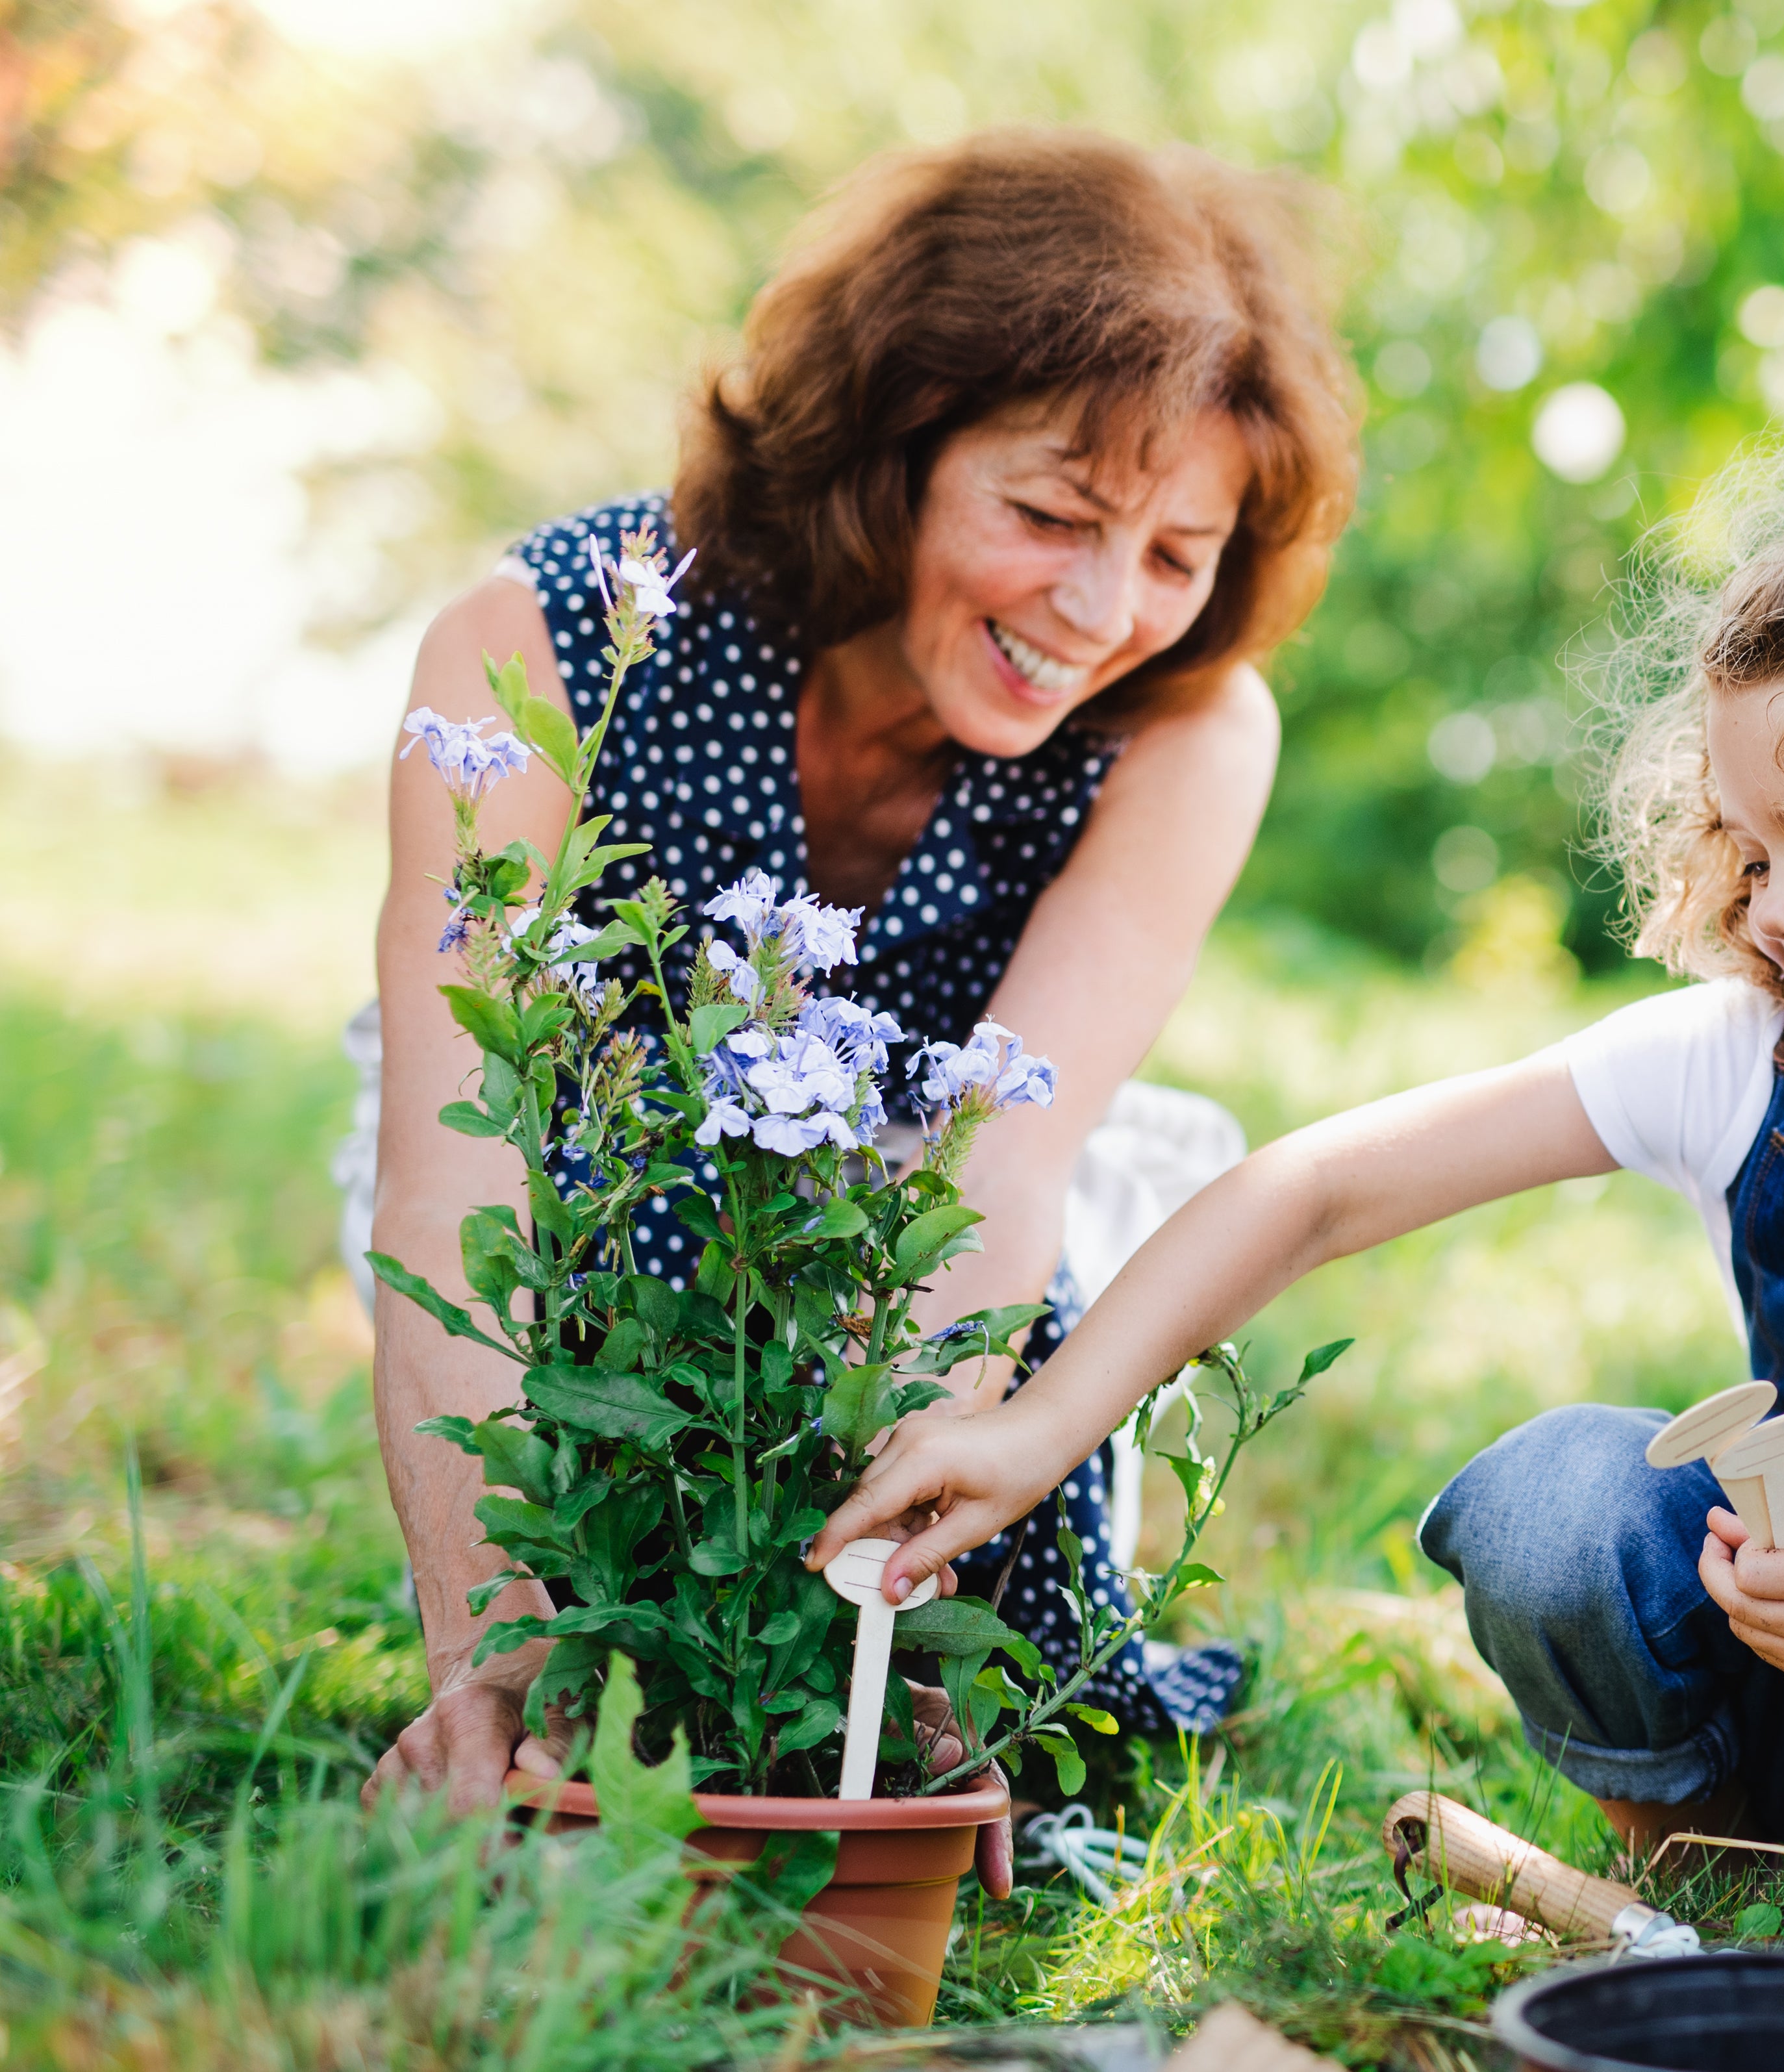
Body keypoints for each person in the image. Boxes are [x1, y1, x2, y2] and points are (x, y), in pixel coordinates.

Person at [809, 420, 1784, 1914]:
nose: (1783, 912)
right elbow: (1321, 1189)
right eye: (1754, 853)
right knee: (1554, 1493)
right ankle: (1701, 1874)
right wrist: (1041, 1420)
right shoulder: (1751, 1058)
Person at [353, 129, 1361, 1809]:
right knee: (604, 1619)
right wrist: (492, 1649)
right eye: (1050, 513)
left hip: (922, 1262)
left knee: (1020, 1683)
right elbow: (450, 1165)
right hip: (592, 1251)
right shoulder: (534, 642)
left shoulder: (1186, 727)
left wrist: (874, 1535)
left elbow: (1002, 1156)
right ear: (896, 452)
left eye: (1178, 554)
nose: (1105, 608)